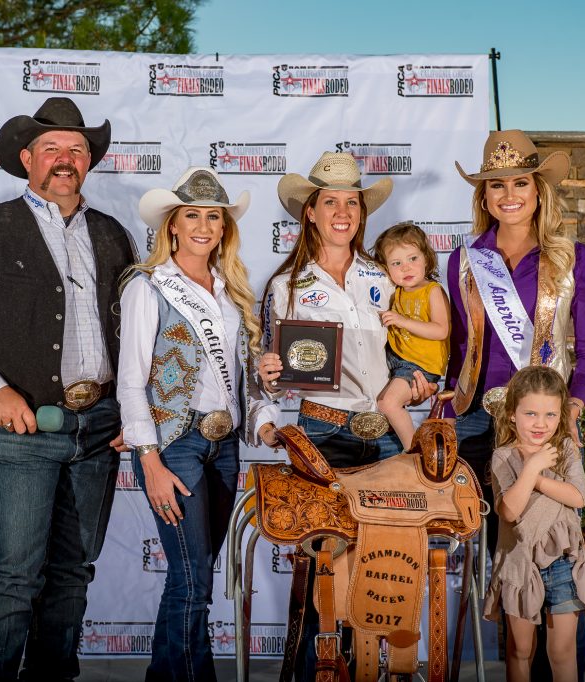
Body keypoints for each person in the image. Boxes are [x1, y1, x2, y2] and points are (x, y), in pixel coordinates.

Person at [0, 97, 136, 682]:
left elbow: (139, 335)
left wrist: (132, 417)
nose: (65, 159)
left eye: (76, 149)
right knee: (14, 573)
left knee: (72, 571)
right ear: (26, 158)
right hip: (17, 430)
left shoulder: (115, 235)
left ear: (88, 161)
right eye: (52, 149)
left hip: (98, 428)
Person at [256, 151, 437, 680]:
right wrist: (268, 373)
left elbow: (406, 348)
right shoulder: (284, 286)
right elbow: (263, 366)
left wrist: (419, 379)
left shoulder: (382, 277)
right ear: (309, 211)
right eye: (330, 201)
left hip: (383, 435)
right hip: (323, 431)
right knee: (326, 572)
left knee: (384, 566)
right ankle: (324, 669)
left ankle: (378, 668)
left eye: (351, 202)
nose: (342, 211)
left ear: (362, 211)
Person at [447, 129, 585, 680]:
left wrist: (574, 409)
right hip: (476, 422)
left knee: (559, 548)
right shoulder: (465, 260)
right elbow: (458, 349)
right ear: (484, 195)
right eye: (496, 185)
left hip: (545, 424)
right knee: (508, 556)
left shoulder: (573, 258)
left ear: (538, 190)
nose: (508, 194)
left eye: (519, 182)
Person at [117, 167, 281, 681]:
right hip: (175, 443)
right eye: (193, 215)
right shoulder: (148, 288)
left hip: (225, 444)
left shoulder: (233, 291)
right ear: (172, 225)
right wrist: (150, 459)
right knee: (192, 582)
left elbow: (241, 378)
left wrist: (266, 394)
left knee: (193, 577)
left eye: (214, 216)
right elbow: (130, 381)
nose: (204, 225)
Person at [483, 365, 585, 682]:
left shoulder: (565, 450)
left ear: (561, 415)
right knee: (520, 649)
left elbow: (578, 496)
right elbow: (509, 511)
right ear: (511, 413)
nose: (541, 424)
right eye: (531, 414)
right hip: (519, 563)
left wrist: (537, 478)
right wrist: (533, 467)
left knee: (562, 651)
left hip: (563, 561)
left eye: (551, 415)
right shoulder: (503, 456)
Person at [372, 222, 451, 448]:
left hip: (419, 365)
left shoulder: (432, 291)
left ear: (426, 258)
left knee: (388, 404)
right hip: (396, 359)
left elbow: (441, 330)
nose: (406, 268)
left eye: (413, 259)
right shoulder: (395, 291)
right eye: (397, 263)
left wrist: (402, 321)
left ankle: (414, 450)